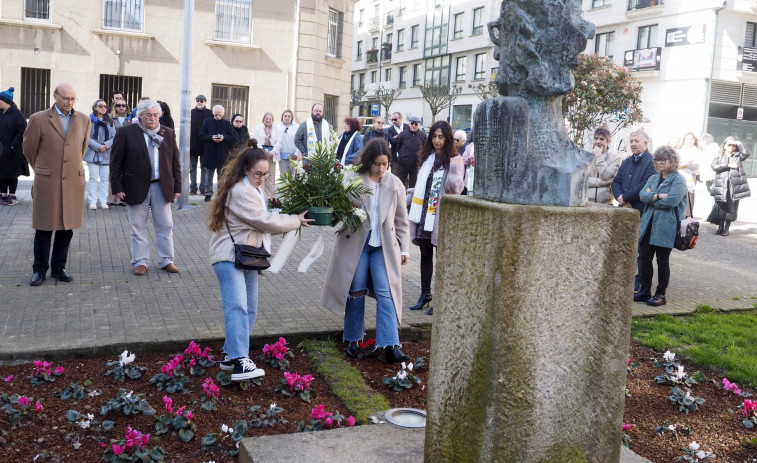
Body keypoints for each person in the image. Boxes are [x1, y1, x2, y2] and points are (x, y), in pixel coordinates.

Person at [207, 140, 312, 380]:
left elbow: (265, 216)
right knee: (238, 306)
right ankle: (240, 361)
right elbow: (264, 221)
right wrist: (295, 220)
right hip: (231, 256)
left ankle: (232, 356)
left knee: (249, 307)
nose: (262, 178)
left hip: (248, 255)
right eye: (258, 173)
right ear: (245, 169)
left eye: (266, 174)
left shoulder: (252, 187)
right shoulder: (242, 190)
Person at [321, 139, 411, 363]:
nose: (381, 169)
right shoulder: (351, 179)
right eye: (377, 164)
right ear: (368, 162)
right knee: (357, 290)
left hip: (384, 247)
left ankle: (390, 344)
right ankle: (352, 338)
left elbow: (401, 220)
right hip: (357, 245)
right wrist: (336, 215)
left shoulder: (395, 184)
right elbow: (337, 212)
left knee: (386, 292)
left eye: (385, 164)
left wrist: (405, 249)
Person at [22, 83, 91, 286]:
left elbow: (82, 149)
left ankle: (59, 268)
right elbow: (29, 149)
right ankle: (39, 270)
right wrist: (44, 168)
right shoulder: (38, 119)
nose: (69, 102)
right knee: (44, 228)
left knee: (66, 228)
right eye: (65, 98)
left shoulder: (84, 120)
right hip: (48, 182)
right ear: (55, 96)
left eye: (73, 99)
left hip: (72, 183)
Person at [110, 100, 182, 276]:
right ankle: (140, 261)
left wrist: (177, 186)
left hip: (162, 186)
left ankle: (167, 260)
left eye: (156, 115)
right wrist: (117, 187)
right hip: (135, 186)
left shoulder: (168, 133)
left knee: (165, 225)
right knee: (137, 226)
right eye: (148, 114)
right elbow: (115, 162)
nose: (152, 118)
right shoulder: (126, 132)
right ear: (140, 115)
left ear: (160, 115)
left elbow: (175, 162)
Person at [407, 121, 465, 315]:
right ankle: (425, 294)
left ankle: (441, 298)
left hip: (440, 215)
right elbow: (422, 186)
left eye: (441, 137)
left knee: (442, 257)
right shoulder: (427, 157)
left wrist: (455, 166)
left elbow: (454, 189)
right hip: (425, 213)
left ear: (447, 138)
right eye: (434, 136)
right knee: (425, 255)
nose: (437, 140)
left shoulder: (454, 159)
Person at [635, 146, 688, 307]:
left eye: (662, 160)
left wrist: (651, 199)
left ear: (672, 161)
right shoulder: (653, 178)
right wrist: (657, 196)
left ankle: (660, 294)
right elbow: (642, 195)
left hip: (666, 226)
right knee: (644, 260)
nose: (659, 163)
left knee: (662, 261)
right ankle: (645, 291)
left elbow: (672, 200)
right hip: (648, 225)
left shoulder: (678, 180)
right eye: (657, 160)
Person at [612, 129, 656, 293]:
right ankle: (622, 277)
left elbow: (645, 184)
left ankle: (639, 282)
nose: (633, 144)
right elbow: (616, 181)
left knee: (641, 249)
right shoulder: (627, 161)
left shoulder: (651, 162)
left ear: (646, 142)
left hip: (639, 209)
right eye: (631, 141)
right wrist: (620, 199)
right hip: (624, 208)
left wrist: (626, 198)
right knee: (622, 244)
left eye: (637, 141)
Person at [707, 137, 751, 236]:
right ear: (724, 145)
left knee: (731, 206)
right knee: (721, 206)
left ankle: (726, 228)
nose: (731, 147)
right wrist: (728, 165)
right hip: (721, 184)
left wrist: (738, 142)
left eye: (733, 145)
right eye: (729, 144)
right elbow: (714, 166)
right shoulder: (720, 155)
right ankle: (720, 227)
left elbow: (747, 153)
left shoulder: (738, 155)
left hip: (733, 185)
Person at [83, 99, 116, 210]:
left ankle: (103, 201)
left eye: (105, 106)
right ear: (95, 107)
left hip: (106, 154)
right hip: (93, 153)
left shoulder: (110, 121)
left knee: (105, 178)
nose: (103, 108)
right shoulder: (89, 121)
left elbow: (114, 137)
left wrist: (105, 146)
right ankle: (92, 201)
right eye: (100, 106)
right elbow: (86, 137)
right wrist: (98, 147)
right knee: (93, 178)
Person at [0, 87, 28, 206]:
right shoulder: (1, 113)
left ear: (5, 101)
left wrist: (12, 145)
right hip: (1, 150)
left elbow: (22, 132)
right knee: (1, 173)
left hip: (13, 151)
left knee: (12, 173)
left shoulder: (18, 115)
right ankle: (3, 195)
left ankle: (12, 195)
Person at [200, 105, 234, 202]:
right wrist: (211, 137)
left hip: (222, 154)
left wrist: (224, 138)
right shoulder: (207, 122)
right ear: (213, 113)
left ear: (223, 114)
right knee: (209, 176)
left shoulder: (227, 124)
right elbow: (201, 135)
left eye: (219, 115)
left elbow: (231, 137)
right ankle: (208, 194)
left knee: (221, 176)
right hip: (210, 153)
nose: (218, 116)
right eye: (216, 115)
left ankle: (220, 195)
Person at [105, 99, 131, 207]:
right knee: (113, 173)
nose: (121, 107)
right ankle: (110, 199)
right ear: (115, 107)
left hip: (127, 149)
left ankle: (121, 199)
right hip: (113, 148)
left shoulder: (129, 120)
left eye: (123, 105)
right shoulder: (110, 119)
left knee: (123, 174)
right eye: (118, 105)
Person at [251, 112, 282, 198]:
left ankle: (270, 199)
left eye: (270, 119)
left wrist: (272, 152)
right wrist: (263, 152)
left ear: (272, 120)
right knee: (261, 177)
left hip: (272, 157)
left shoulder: (277, 129)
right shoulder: (257, 128)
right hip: (261, 157)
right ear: (263, 119)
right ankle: (261, 197)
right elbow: (256, 141)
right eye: (266, 118)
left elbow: (279, 142)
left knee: (271, 179)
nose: (268, 120)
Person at [587, 127, 621, 205]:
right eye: (596, 138)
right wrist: (604, 183)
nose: (598, 141)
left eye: (601, 139)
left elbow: (606, 176)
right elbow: (583, 180)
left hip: (606, 203)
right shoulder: (587, 157)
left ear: (608, 142)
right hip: (587, 201)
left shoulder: (616, 158)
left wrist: (598, 156)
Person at [394, 115, 427, 188]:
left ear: (419, 125)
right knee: (399, 184)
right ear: (409, 124)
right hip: (403, 164)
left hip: (415, 165)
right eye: (412, 123)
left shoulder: (423, 136)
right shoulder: (403, 134)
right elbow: (399, 147)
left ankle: (411, 199)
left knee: (413, 186)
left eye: (416, 124)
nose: (414, 126)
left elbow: (425, 149)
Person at [190, 95, 212, 195]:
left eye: (202, 101)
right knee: (192, 168)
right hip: (192, 145)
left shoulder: (209, 113)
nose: (200, 102)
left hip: (205, 146)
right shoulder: (191, 113)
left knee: (204, 168)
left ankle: (203, 188)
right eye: (198, 100)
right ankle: (193, 188)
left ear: (205, 102)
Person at [677, 132, 701, 217]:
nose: (689, 141)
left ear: (694, 140)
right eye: (687, 139)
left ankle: (688, 214)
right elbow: (676, 163)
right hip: (680, 174)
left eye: (691, 139)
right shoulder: (679, 150)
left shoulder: (696, 151)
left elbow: (697, 164)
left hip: (691, 175)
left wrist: (686, 163)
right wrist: (686, 162)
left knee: (690, 194)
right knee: (679, 192)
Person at [279, 109, 298, 176]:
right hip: (282, 156)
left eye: (289, 116)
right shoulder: (278, 127)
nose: (287, 118)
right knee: (283, 176)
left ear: (291, 117)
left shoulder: (297, 127)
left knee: (293, 177)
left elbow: (300, 141)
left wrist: (296, 153)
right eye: (285, 116)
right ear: (282, 117)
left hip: (293, 156)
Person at [453, 130, 470, 195]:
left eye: (457, 140)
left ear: (463, 140)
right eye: (454, 139)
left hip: (461, 179)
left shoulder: (466, 150)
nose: (455, 141)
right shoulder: (452, 148)